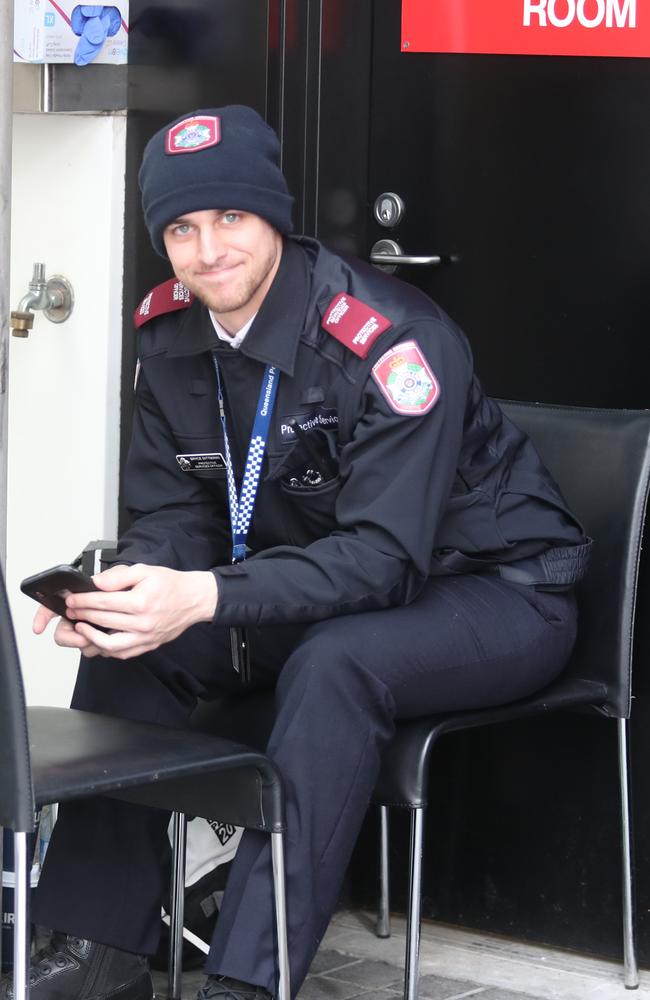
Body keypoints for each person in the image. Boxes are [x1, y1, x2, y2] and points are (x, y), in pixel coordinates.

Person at [2, 106, 590, 1000]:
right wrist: (131, 587)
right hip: (321, 580)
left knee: (336, 664)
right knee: (129, 640)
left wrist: (201, 595)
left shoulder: (390, 340)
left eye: (231, 218)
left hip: (499, 591)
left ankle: (246, 978)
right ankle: (89, 952)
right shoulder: (168, 336)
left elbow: (385, 562)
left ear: (274, 216)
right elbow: (174, 512)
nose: (209, 251)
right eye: (182, 229)